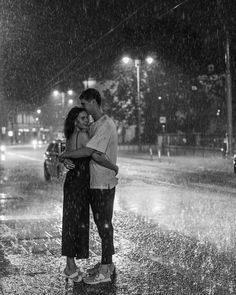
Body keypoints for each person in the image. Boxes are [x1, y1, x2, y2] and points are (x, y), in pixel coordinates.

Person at [60, 88, 118, 285]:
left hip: (101, 183)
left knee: (103, 226)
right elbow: (84, 152)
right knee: (82, 224)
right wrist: (65, 157)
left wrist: (64, 156)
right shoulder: (91, 127)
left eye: (84, 106)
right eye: (81, 116)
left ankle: (105, 268)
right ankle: (103, 264)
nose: (84, 116)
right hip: (86, 184)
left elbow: (91, 152)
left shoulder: (105, 125)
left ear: (93, 102)